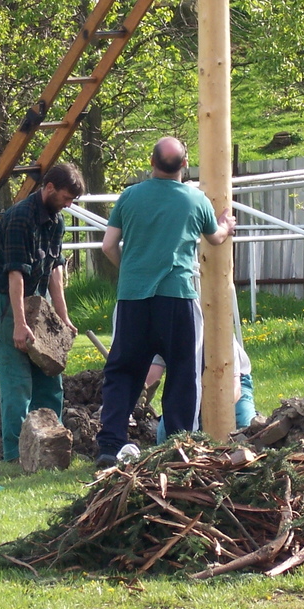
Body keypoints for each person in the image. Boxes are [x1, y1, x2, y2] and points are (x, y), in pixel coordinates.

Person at [95, 137, 236, 468]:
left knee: (123, 371)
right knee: (183, 372)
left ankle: (109, 446)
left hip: (133, 298)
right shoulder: (195, 199)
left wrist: (129, 270)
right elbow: (215, 237)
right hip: (177, 298)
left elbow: (108, 246)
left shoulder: (129, 196)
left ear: (151, 162)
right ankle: (178, 448)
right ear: (185, 164)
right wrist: (227, 225)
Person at [0, 163, 85, 462]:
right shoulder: (18, 218)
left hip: (37, 301)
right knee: (17, 382)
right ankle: (16, 453)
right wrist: (19, 324)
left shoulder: (57, 221)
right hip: (5, 302)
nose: (69, 204)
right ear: (49, 187)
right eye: (66, 197)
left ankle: (51, 447)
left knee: (50, 377)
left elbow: (54, 270)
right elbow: (15, 274)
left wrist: (62, 317)